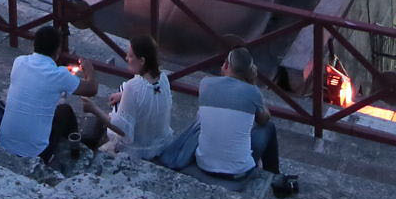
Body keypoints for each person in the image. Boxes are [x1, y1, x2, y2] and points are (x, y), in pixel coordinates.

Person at [155, 48, 281, 179]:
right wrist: (252, 86)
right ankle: (274, 175)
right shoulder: (253, 91)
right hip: (238, 172)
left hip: (204, 164)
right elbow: (264, 120)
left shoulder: (205, 84)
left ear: (226, 65)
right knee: (268, 127)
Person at [0, 23, 98, 163]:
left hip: (4, 142)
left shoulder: (19, 62)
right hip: (36, 152)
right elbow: (92, 89)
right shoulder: (59, 75)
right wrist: (89, 70)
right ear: (58, 50)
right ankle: (75, 148)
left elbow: (41, 79)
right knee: (65, 110)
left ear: (34, 45)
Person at [102, 35, 173, 158]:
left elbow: (123, 131)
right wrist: (123, 95)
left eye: (130, 56)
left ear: (142, 61)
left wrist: (93, 109)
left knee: (113, 118)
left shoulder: (132, 87)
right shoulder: (163, 78)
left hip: (139, 149)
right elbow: (149, 96)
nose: (126, 58)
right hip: (160, 144)